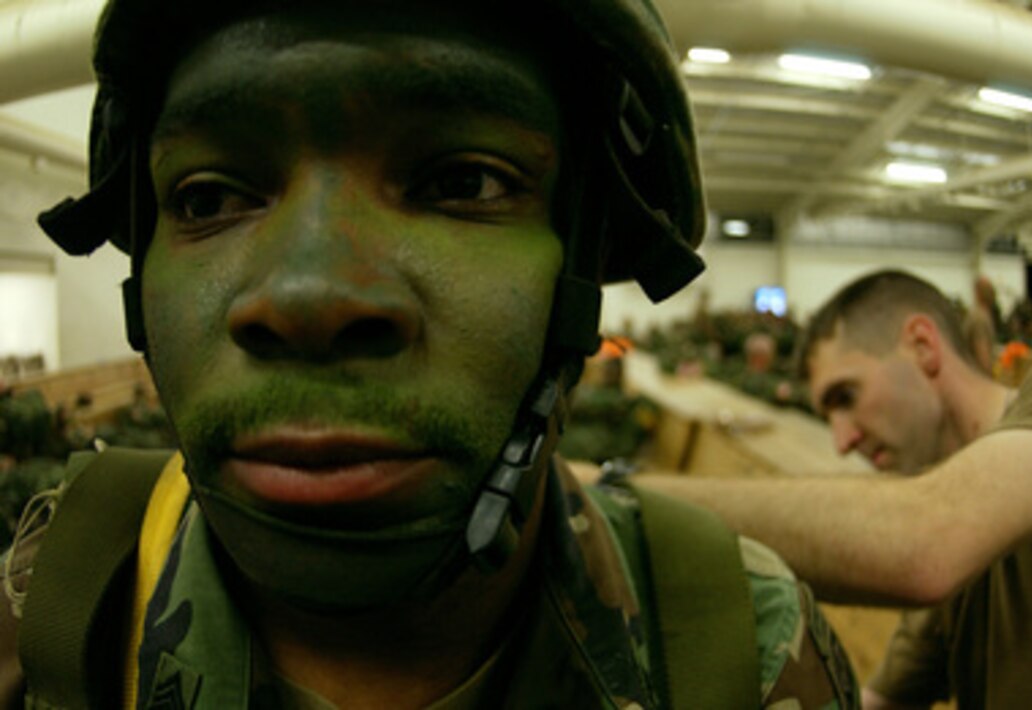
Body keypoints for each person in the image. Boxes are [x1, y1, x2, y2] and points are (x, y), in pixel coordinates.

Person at [0, 0, 859, 707]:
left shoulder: (742, 651)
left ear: (586, 259)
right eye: (210, 196)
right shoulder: (46, 610)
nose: (309, 298)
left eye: (462, 182)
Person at [640, 269, 1032, 709]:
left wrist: (631, 501)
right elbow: (882, 698)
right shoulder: (966, 564)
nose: (841, 441)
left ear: (922, 346)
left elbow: (926, 541)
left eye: (847, 397)